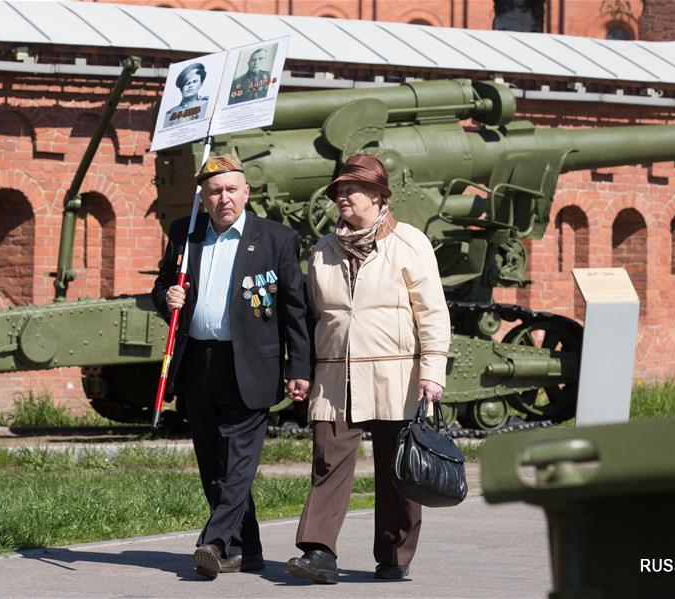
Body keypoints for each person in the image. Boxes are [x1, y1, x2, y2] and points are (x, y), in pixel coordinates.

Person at [286, 153, 451, 584]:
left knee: (396, 470)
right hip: (334, 377)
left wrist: (432, 371)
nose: (342, 197)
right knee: (328, 462)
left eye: (351, 189)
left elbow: (432, 312)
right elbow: (311, 318)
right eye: (338, 190)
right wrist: (302, 369)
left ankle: (394, 555)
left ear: (379, 197)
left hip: (396, 376)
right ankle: (319, 552)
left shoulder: (411, 243)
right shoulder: (323, 250)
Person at [151, 154, 312, 579]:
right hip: (198, 362)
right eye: (214, 191)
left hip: (250, 365)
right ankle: (247, 550)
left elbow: (295, 311)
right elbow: (161, 286)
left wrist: (300, 368)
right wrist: (169, 298)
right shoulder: (185, 235)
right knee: (213, 464)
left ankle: (214, 541)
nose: (223, 198)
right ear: (203, 198)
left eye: (230, 190)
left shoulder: (276, 239)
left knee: (239, 461)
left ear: (247, 193)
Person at [163, 63, 209, 128]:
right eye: (187, 83)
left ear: (201, 84)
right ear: (181, 88)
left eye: (195, 81)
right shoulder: (171, 113)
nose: (190, 86)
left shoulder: (207, 104)